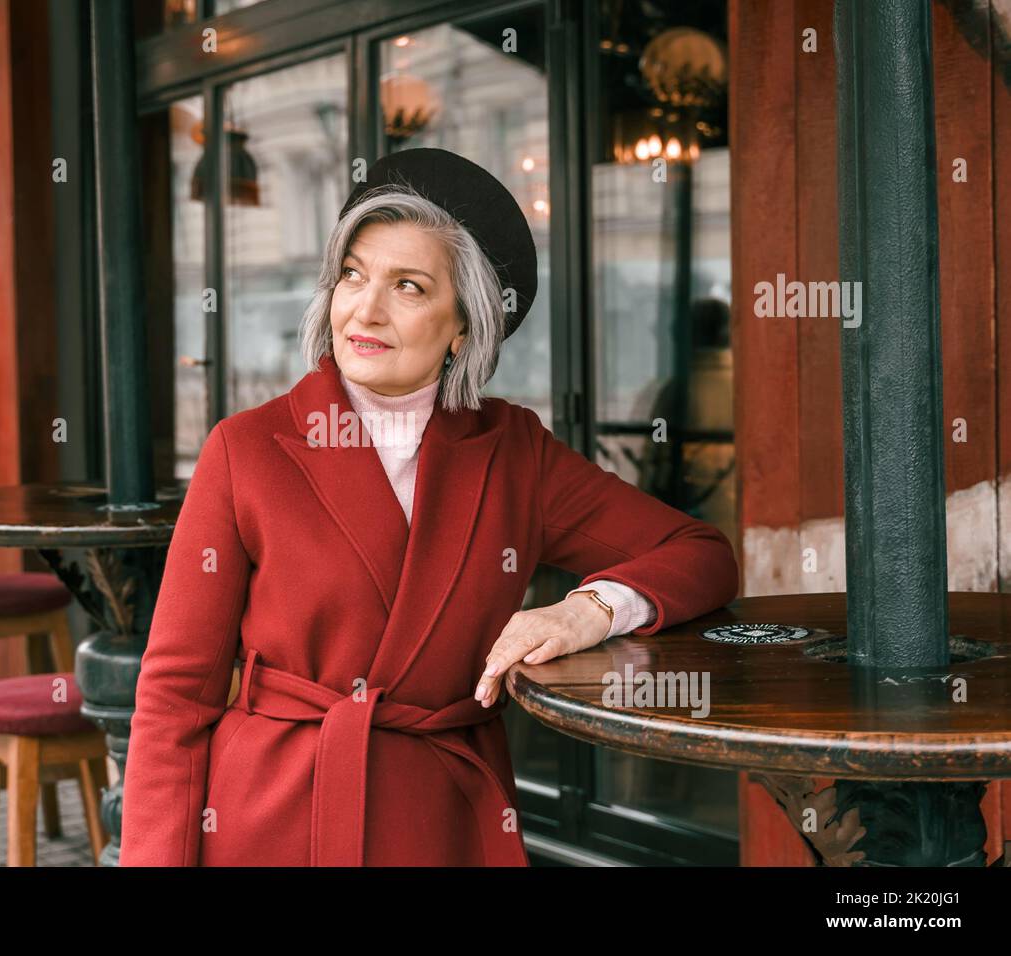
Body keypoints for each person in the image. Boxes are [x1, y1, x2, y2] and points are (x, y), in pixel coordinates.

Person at [119, 148, 739, 866]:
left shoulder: (514, 453)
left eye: (408, 287)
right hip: (272, 815)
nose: (365, 308)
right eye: (354, 274)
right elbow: (173, 700)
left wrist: (584, 612)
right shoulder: (247, 449)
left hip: (444, 819)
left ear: (464, 327)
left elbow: (702, 554)